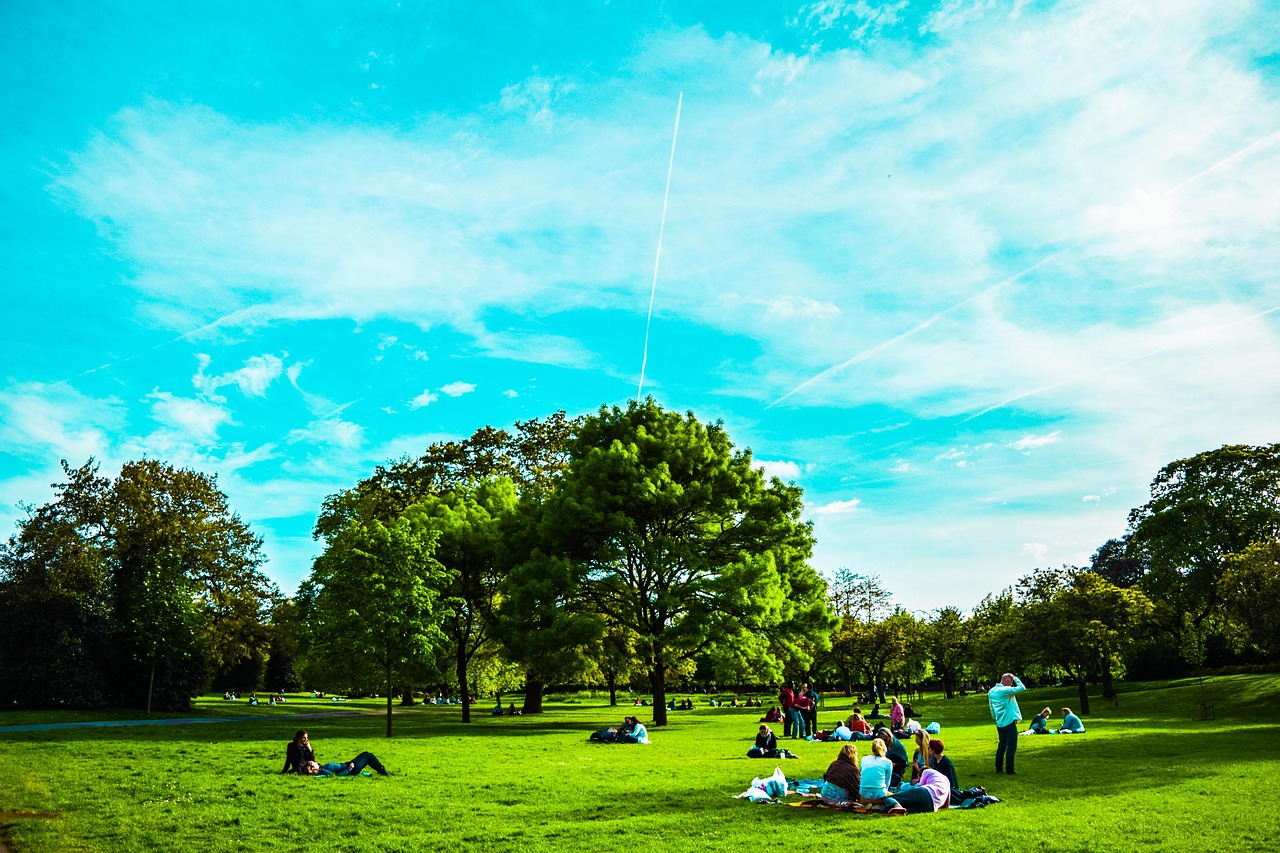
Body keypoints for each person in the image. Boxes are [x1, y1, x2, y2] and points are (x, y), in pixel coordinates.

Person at [988, 672, 1026, 774]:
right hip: (1009, 722)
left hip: (999, 722)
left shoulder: (991, 691)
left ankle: (998, 767)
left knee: (1001, 746)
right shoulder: (1005, 690)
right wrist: (1015, 677)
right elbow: (1022, 688)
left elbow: (991, 707)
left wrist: (996, 719)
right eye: (1011, 682)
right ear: (1008, 682)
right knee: (1011, 746)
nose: (1011, 685)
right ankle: (1010, 769)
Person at [859, 737, 895, 809]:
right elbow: (887, 783)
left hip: (863, 794)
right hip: (879, 794)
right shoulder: (887, 762)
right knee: (893, 795)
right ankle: (878, 805)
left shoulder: (864, 759)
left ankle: (868, 804)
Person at [310, 752, 389, 777]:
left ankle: (381, 770)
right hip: (351, 769)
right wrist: (349, 769)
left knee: (368, 756)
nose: (315, 762)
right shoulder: (322, 770)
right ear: (313, 768)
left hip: (348, 765)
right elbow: (337, 775)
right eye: (312, 763)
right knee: (368, 756)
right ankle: (382, 770)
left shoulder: (322, 767)